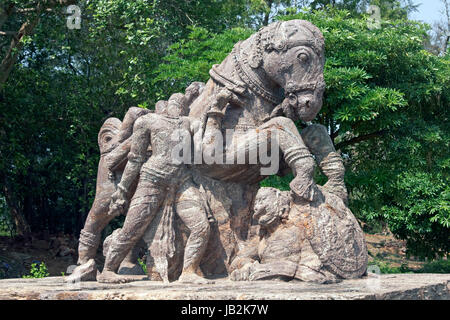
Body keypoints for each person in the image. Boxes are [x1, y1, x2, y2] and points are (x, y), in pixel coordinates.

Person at [98, 93, 212, 284]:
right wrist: (123, 189)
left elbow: (202, 152)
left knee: (201, 225)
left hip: (181, 182)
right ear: (166, 106)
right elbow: (135, 159)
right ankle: (108, 270)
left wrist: (211, 115)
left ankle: (188, 272)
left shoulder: (190, 123)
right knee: (132, 228)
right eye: (176, 103)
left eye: (180, 104)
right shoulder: (147, 121)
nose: (177, 107)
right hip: (152, 180)